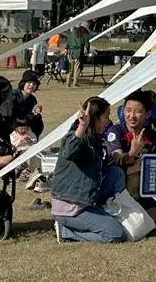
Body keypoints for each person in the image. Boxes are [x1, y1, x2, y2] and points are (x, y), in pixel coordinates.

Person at [51, 97, 128, 243]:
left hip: (86, 199)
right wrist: (82, 126)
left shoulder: (95, 139)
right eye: (105, 116)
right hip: (71, 208)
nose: (108, 120)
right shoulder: (76, 136)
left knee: (115, 173)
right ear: (95, 118)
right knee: (116, 234)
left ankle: (109, 211)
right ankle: (66, 232)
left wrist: (131, 155)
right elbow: (69, 151)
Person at [104, 91, 156, 230]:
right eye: (128, 111)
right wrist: (133, 152)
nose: (131, 116)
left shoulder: (151, 134)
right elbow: (116, 160)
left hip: (140, 193)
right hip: (118, 192)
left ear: (148, 114)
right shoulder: (115, 131)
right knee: (131, 227)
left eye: (138, 112)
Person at [10, 70, 44, 138]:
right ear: (23, 83)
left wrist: (35, 113)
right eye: (29, 82)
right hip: (10, 129)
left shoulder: (32, 100)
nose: (31, 85)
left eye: (34, 83)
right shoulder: (12, 96)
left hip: (24, 130)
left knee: (37, 118)